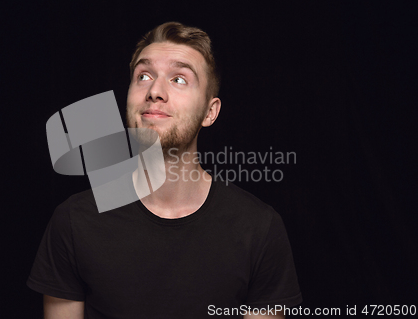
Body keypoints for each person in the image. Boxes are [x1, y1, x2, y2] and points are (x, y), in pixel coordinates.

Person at [27, 22, 302, 318]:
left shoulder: (260, 228)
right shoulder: (73, 222)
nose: (155, 91)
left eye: (179, 79)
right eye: (143, 76)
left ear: (210, 112)